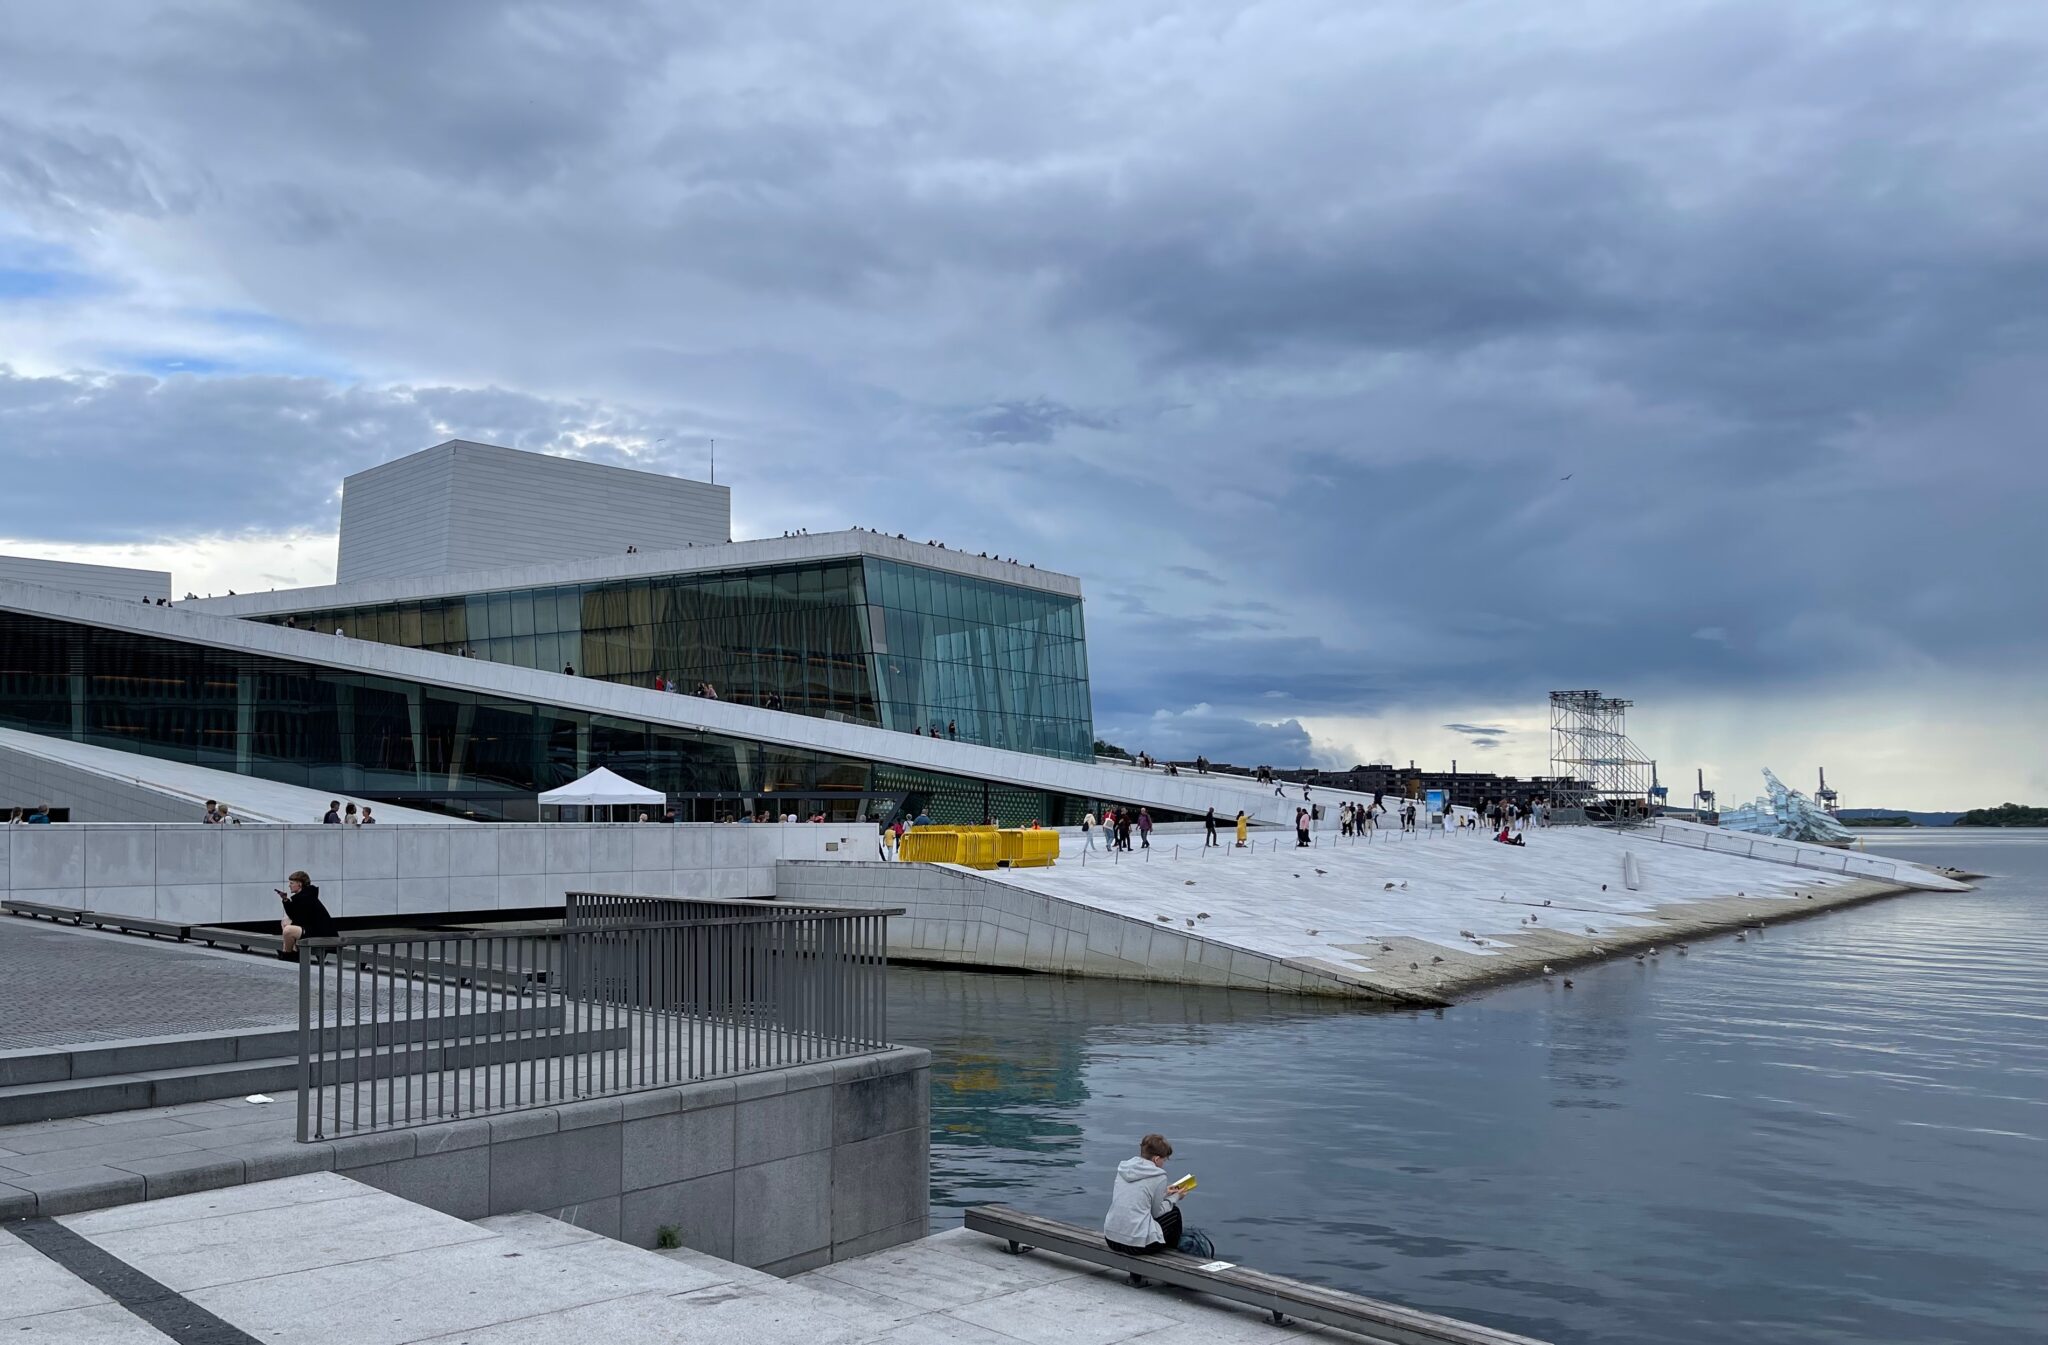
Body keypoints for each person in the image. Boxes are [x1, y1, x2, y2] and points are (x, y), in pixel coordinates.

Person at [1103, 1133, 1213, 1259]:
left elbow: (1138, 1196)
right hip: (1135, 1246)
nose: (1164, 1163)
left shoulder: (1124, 1169)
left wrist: (1165, 1192)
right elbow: (1156, 1212)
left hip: (1111, 1239)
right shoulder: (1158, 1175)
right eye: (1164, 1160)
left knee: (1145, 1219)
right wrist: (1176, 1197)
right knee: (1174, 1213)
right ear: (1156, 1159)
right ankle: (1175, 1257)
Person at [277, 870, 337, 960]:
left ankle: (289, 954)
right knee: (285, 921)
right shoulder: (303, 895)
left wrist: (289, 924)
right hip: (310, 928)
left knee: (288, 930)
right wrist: (285, 900)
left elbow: (300, 918)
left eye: (291, 883)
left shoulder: (306, 897)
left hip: (319, 933)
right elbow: (294, 914)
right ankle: (293, 951)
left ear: (300, 884)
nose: (289, 885)